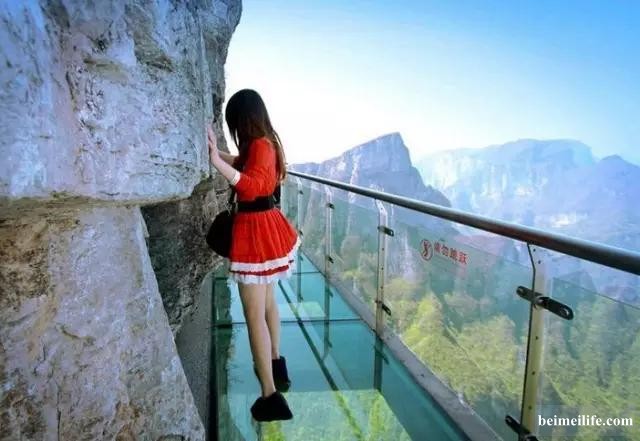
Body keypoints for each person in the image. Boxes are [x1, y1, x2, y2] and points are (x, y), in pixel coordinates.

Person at [207, 89, 300, 422]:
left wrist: (216, 162)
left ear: (242, 119)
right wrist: (218, 152)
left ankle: (270, 396)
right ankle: (276, 362)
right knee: (268, 304)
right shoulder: (265, 142)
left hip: (255, 232)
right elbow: (245, 165)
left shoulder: (260, 145)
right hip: (267, 226)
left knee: (253, 314)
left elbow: (252, 185)